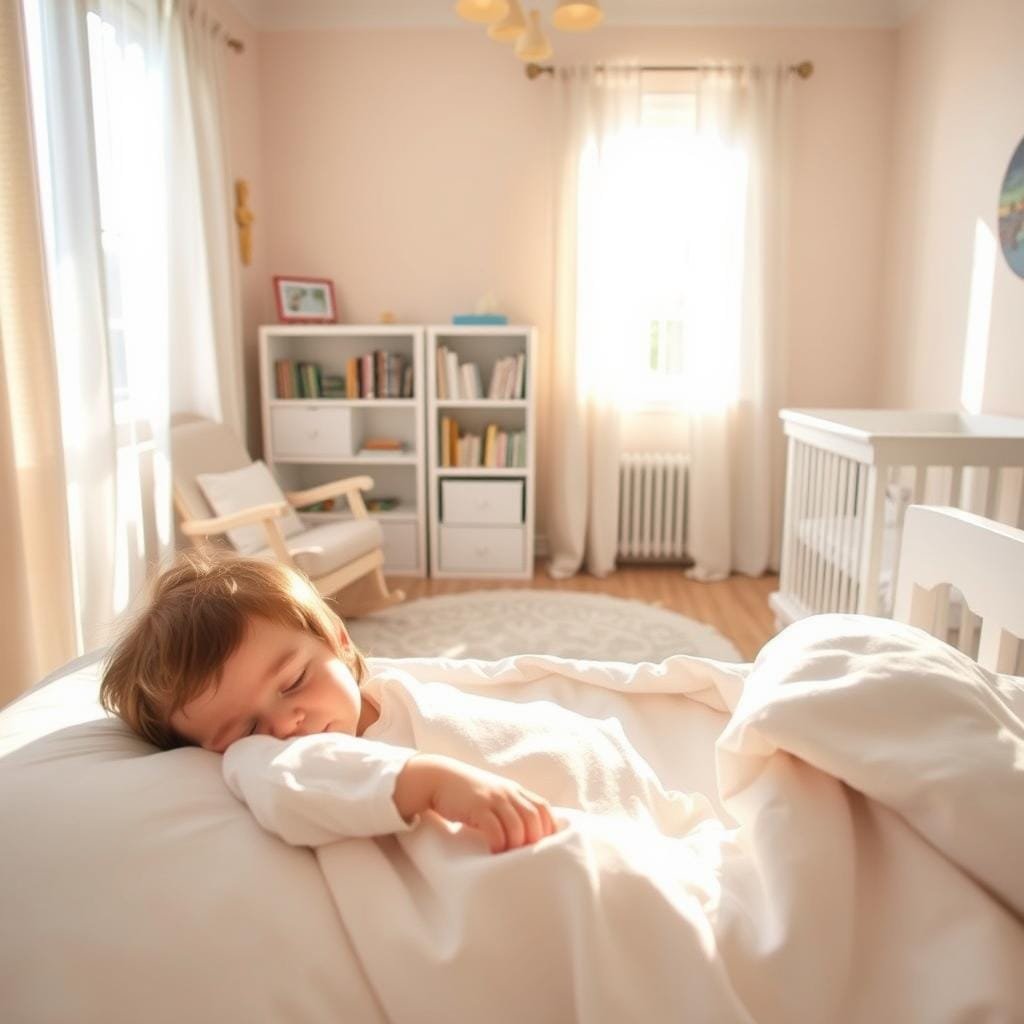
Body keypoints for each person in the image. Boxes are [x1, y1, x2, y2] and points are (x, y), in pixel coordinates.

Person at [101, 550, 711, 856]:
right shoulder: (264, 761)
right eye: (245, 728)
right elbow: (291, 786)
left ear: (339, 643)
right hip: (567, 818)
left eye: (292, 683)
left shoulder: (385, 688)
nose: (285, 724)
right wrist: (426, 781)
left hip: (609, 765)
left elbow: (481, 685)